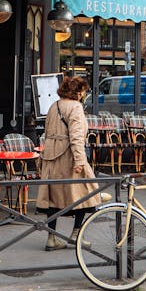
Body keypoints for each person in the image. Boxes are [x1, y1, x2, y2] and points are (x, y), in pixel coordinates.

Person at [35, 75, 104, 251]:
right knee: (85, 195)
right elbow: (76, 137)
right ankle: (76, 235)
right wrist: (80, 161)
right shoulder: (75, 107)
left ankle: (51, 238)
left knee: (53, 199)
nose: (83, 95)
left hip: (51, 157)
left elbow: (47, 131)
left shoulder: (54, 106)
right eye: (83, 91)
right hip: (69, 157)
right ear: (78, 91)